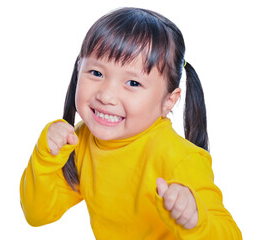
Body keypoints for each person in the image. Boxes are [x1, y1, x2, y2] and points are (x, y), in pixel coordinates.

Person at [20, 7, 242, 239]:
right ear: (79, 69)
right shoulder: (81, 139)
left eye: (133, 83)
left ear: (169, 100)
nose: (106, 95)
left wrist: (196, 219)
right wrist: (45, 156)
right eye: (96, 73)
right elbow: (38, 214)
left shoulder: (179, 159)